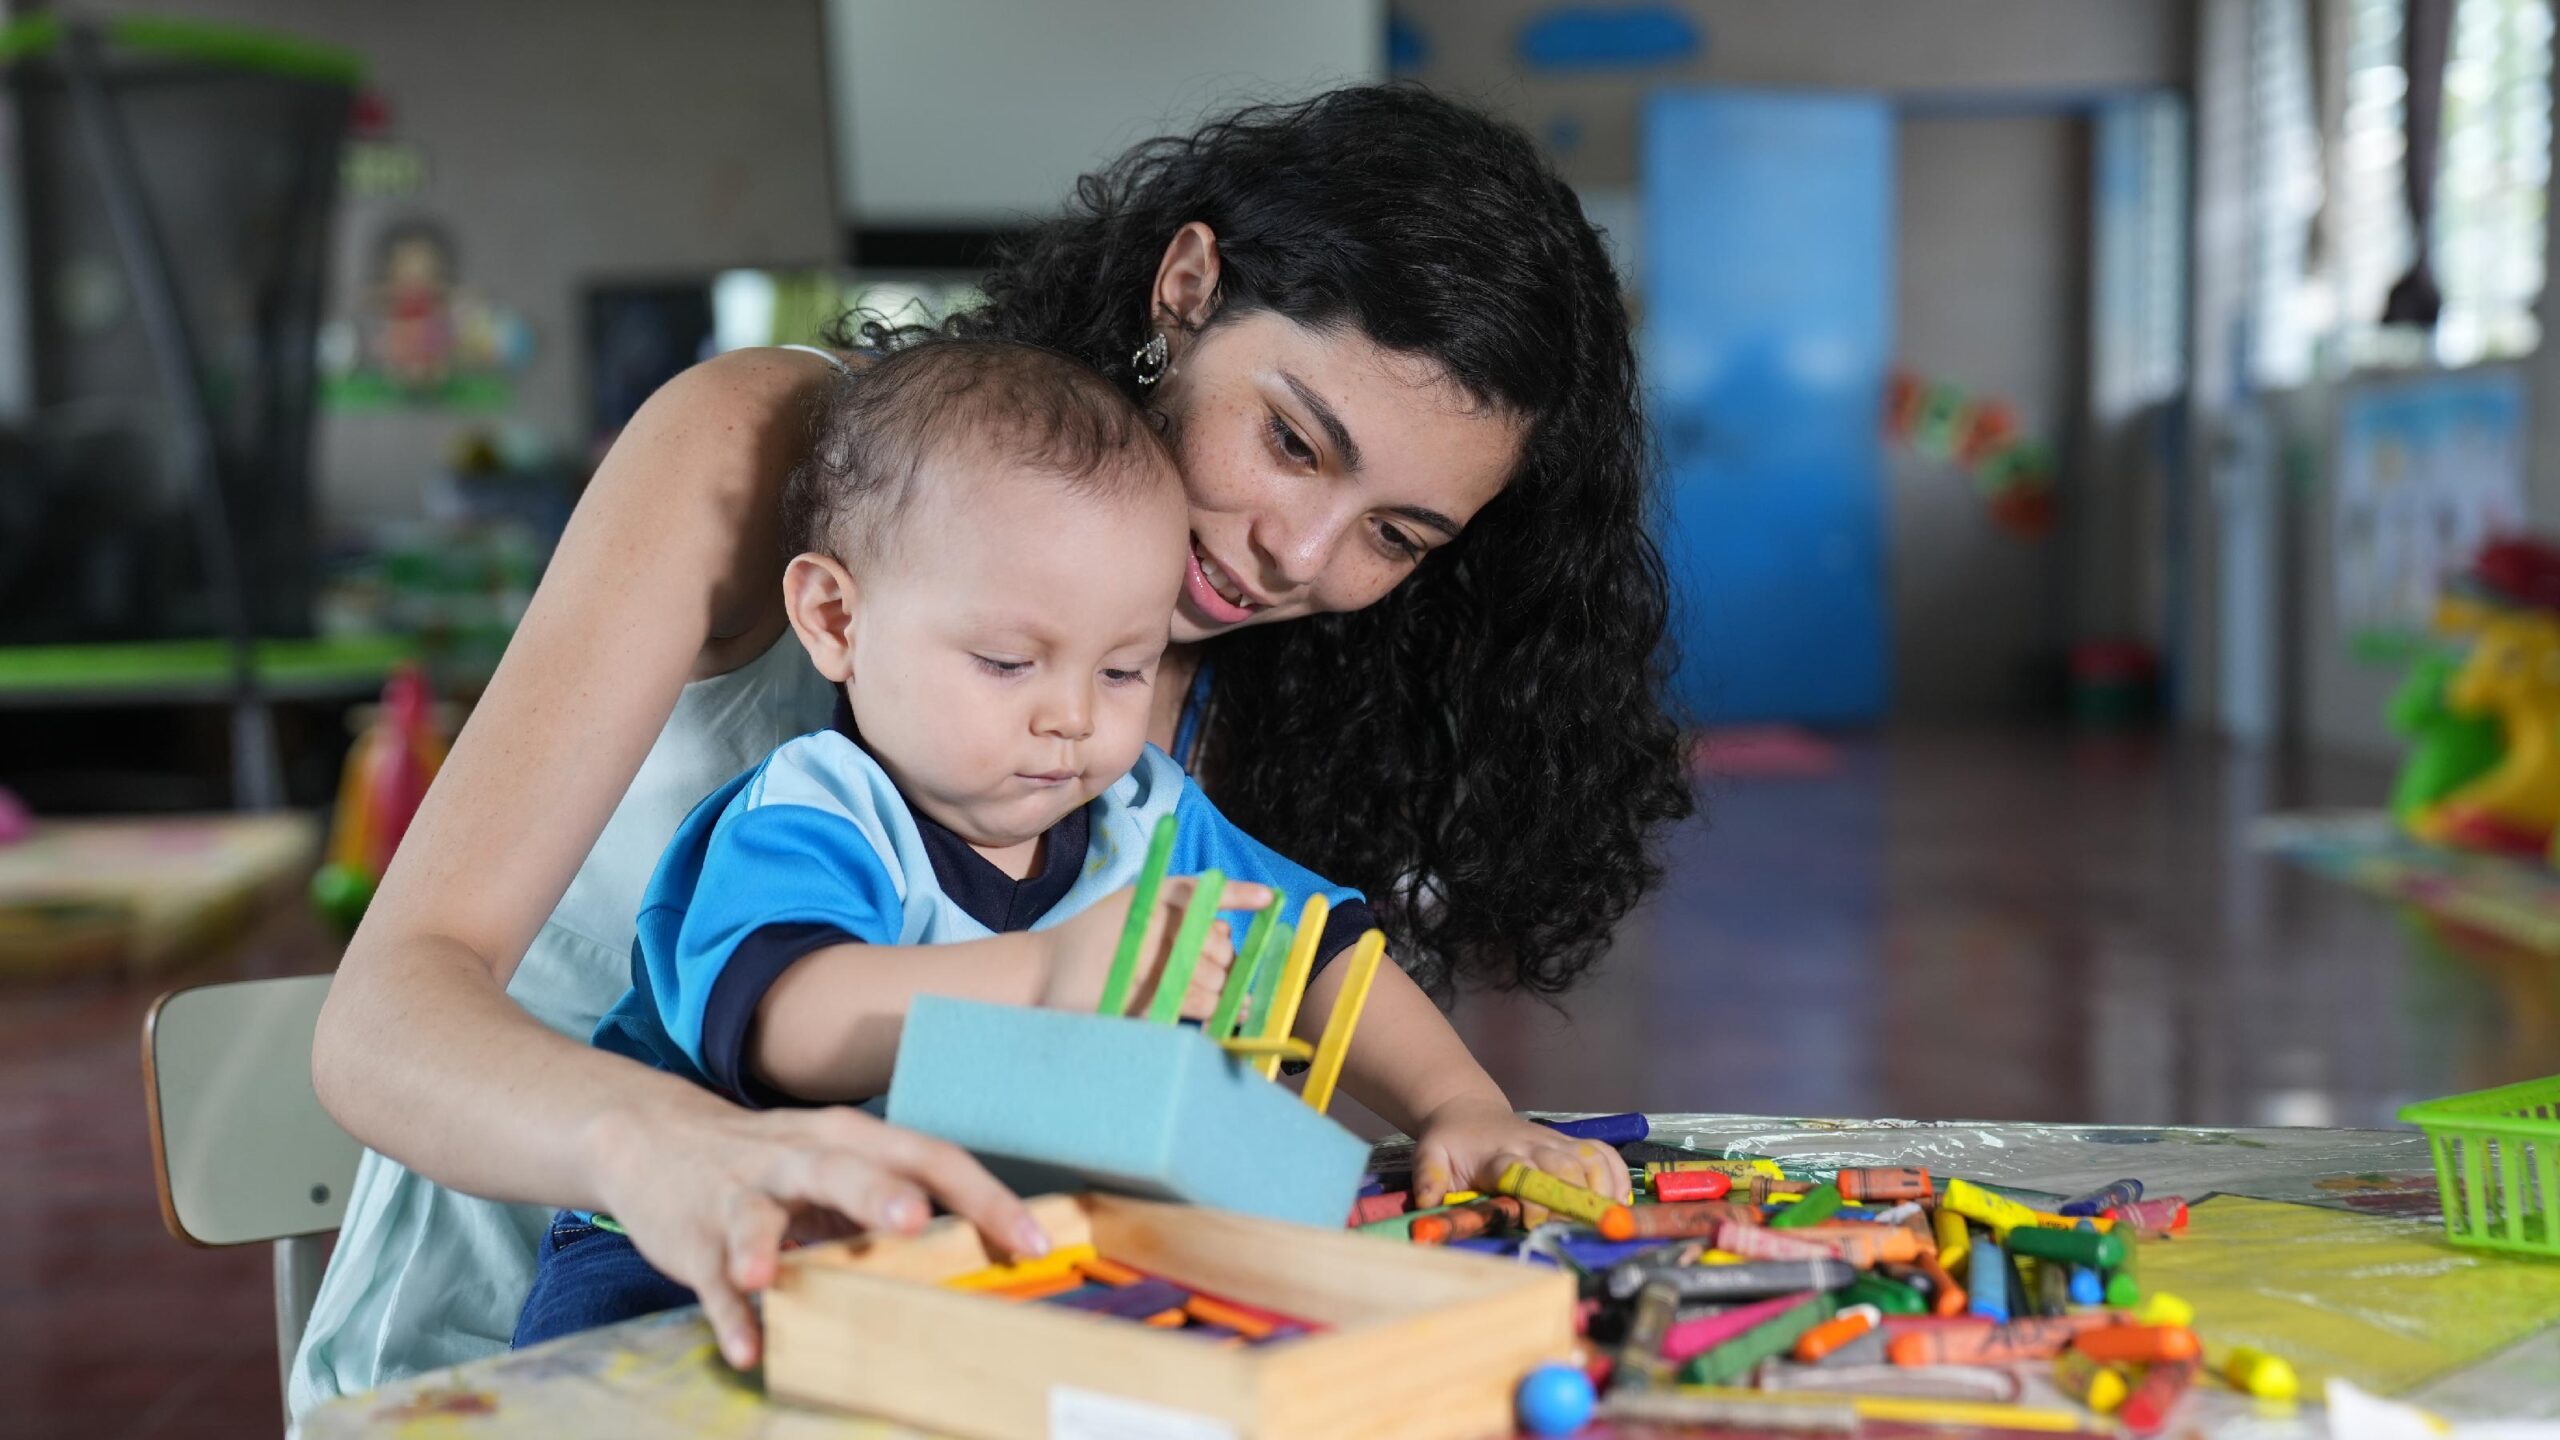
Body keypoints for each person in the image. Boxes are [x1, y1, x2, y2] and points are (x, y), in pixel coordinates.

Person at [295, 84, 1689, 1416]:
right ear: (1185, 291)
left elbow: (1279, 968)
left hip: (907, 1338)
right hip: (542, 1327)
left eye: (1394, 536)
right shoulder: (780, 456)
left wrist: (1456, 1107)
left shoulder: (1216, 706)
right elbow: (381, 1026)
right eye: (1290, 441)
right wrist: (667, 1146)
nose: (1297, 554)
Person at [511, 337, 1619, 1347]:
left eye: (1122, 668)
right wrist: (1047, 972)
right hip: (686, 1250)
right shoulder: (817, 812)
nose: (1072, 717)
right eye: (1007, 663)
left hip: (937, 1256)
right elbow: (790, 1023)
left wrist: (1461, 1107)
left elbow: (1317, 951)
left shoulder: (1145, 812)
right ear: (837, 622)